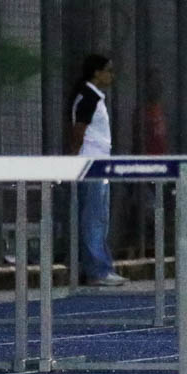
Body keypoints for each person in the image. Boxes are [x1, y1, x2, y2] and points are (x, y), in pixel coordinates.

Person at [67, 53, 126, 286]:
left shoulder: (94, 97)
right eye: (108, 71)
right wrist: (74, 158)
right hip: (91, 165)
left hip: (100, 164)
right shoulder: (88, 97)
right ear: (97, 72)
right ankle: (97, 270)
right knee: (94, 218)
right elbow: (78, 130)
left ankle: (96, 266)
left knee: (98, 216)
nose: (112, 75)